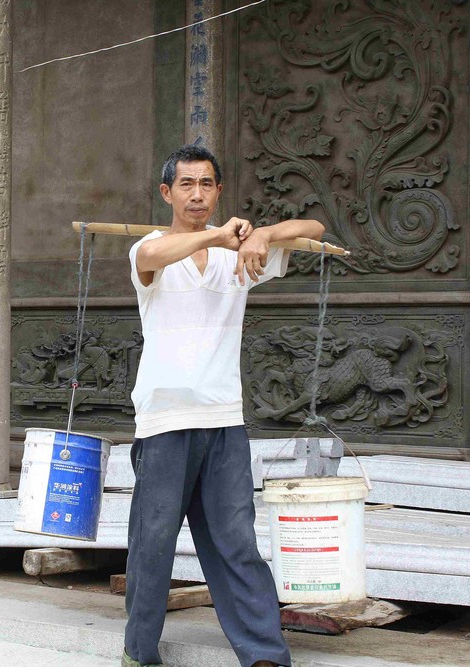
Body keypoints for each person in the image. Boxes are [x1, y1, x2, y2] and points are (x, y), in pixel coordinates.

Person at [122, 144, 325, 667]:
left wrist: (262, 235)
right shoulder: (150, 250)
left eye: (207, 184)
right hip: (165, 420)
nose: (197, 194)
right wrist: (219, 234)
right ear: (166, 192)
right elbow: (150, 259)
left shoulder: (240, 260)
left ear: (218, 191)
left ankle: (263, 655)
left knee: (236, 541)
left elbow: (316, 228)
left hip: (223, 420)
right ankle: (139, 653)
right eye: (186, 185)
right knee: (154, 543)